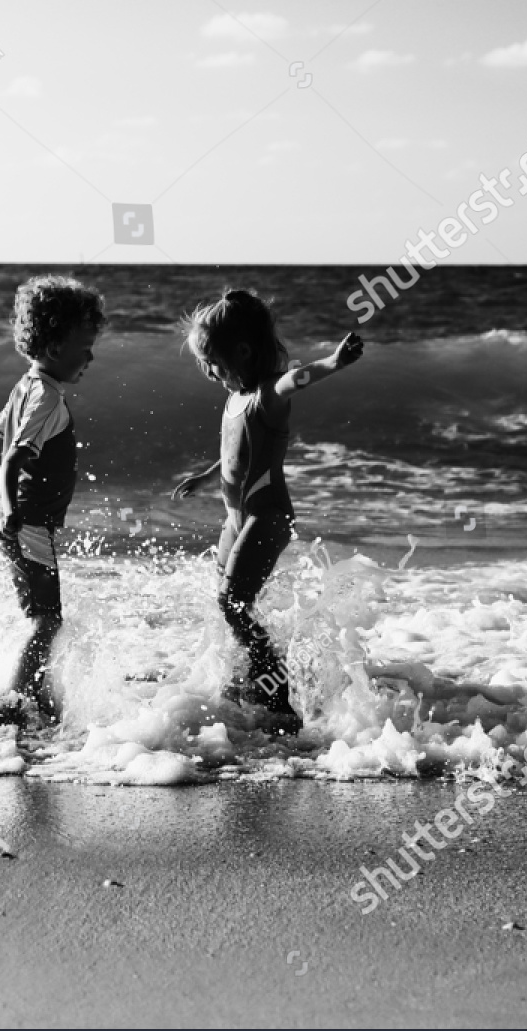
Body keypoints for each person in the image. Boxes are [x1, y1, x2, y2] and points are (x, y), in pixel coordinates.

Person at [172, 288, 364, 733]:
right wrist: (207, 477)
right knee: (228, 601)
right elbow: (235, 453)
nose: (207, 371)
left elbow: (295, 378)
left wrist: (333, 364)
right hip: (235, 518)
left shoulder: (266, 395)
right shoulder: (233, 397)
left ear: (242, 350)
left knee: (232, 604)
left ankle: (277, 693)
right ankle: (255, 678)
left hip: (267, 515)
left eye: (213, 362)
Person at [0, 275, 106, 727]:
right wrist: (15, 506)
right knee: (47, 622)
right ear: (56, 348)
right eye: (85, 346)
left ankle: (39, 697)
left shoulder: (24, 388)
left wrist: (8, 504)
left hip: (10, 521)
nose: (90, 356)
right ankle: (13, 705)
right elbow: (12, 455)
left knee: (40, 616)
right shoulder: (48, 399)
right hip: (28, 523)